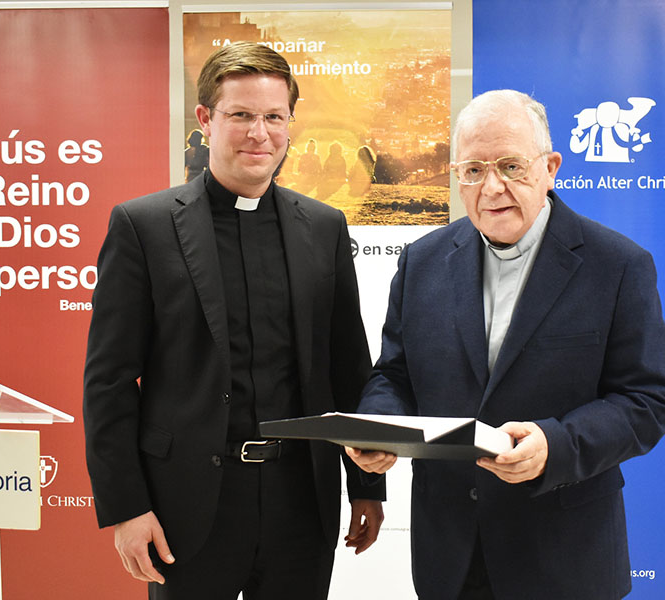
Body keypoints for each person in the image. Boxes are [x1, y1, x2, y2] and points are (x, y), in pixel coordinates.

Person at [83, 42, 384, 600]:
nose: (259, 133)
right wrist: (126, 508)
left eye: (274, 117)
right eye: (241, 115)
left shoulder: (323, 227)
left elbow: (349, 366)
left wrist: (367, 485)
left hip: (302, 503)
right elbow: (109, 382)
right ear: (206, 120)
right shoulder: (142, 226)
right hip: (186, 510)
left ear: (291, 123)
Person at [347, 89, 665, 599]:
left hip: (565, 556)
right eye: (473, 170)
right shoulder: (421, 262)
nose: (492, 186)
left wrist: (557, 445)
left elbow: (646, 402)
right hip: (449, 555)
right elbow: (395, 374)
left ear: (551, 167)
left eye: (511, 166)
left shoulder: (618, 265)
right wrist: (379, 427)